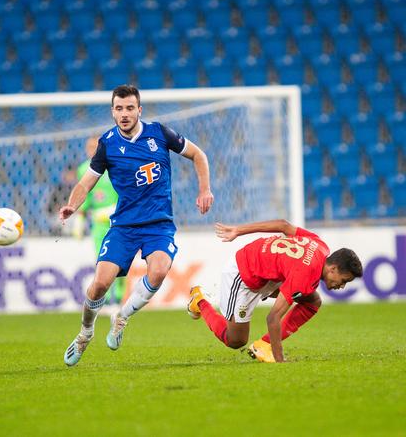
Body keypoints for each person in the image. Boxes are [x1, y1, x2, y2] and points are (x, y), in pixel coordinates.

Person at [60, 85, 214, 366]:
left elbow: (198, 155)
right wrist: (73, 205)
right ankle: (85, 333)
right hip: (124, 226)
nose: (124, 113)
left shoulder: (159, 133)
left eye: (130, 108)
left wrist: (204, 190)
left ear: (139, 110)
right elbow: (86, 182)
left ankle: (122, 317)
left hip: (158, 224)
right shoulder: (107, 144)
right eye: (119, 108)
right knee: (100, 285)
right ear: (112, 112)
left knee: (158, 272)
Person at [187, 219, 363, 363]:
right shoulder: (304, 275)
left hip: (268, 274)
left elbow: (283, 225)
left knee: (312, 301)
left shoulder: (320, 245)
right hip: (243, 274)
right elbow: (272, 318)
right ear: (333, 269)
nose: (342, 286)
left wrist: (239, 230)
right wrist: (280, 360)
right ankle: (200, 301)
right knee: (235, 340)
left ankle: (264, 345)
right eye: (344, 280)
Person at [72, 136, 126, 305]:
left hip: (119, 222)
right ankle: (108, 300)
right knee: (102, 262)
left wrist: (116, 209)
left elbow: (125, 192)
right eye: (89, 146)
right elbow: (84, 194)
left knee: (119, 262)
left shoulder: (115, 166)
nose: (92, 149)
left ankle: (117, 299)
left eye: (95, 146)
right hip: (98, 224)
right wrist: (79, 219)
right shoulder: (83, 169)